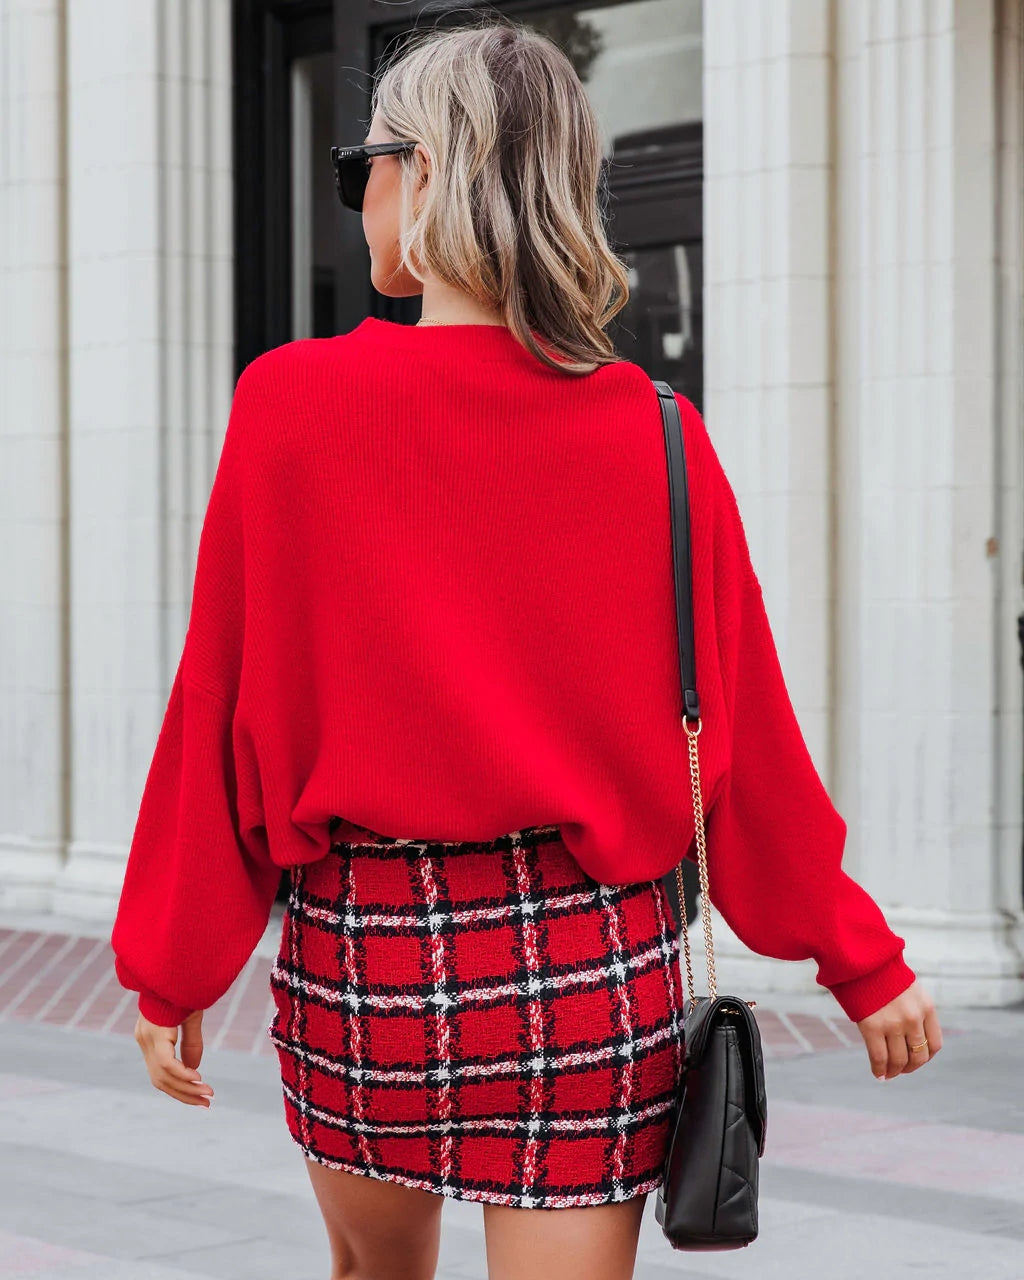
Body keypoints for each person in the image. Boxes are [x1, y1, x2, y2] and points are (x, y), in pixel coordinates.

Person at [110, 14, 942, 1280]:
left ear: (430, 170)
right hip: (586, 965)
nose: (361, 191)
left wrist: (172, 964)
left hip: (367, 959)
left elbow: (222, 708)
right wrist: (859, 958)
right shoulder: (657, 431)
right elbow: (742, 737)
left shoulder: (288, 405)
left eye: (365, 162)